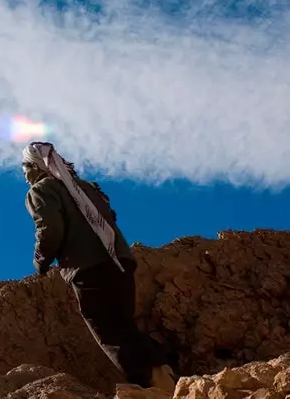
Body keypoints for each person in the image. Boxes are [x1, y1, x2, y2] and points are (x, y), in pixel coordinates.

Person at [21, 141, 176, 393]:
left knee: (110, 332)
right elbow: (110, 219)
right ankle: (165, 374)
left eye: (25, 168)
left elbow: (50, 230)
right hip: (120, 262)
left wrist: (40, 261)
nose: (25, 175)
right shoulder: (86, 188)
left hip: (87, 266)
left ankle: (156, 386)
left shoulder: (42, 190)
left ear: (36, 166)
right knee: (125, 325)